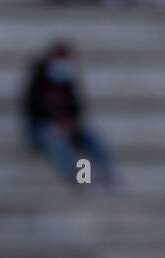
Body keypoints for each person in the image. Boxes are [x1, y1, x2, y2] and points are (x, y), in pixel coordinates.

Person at [22, 41, 116, 187]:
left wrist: (71, 123)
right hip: (42, 128)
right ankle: (78, 179)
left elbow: (77, 106)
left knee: (92, 138)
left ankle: (106, 174)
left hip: (68, 126)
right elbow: (32, 109)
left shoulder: (67, 81)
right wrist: (53, 124)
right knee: (58, 143)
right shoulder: (38, 83)